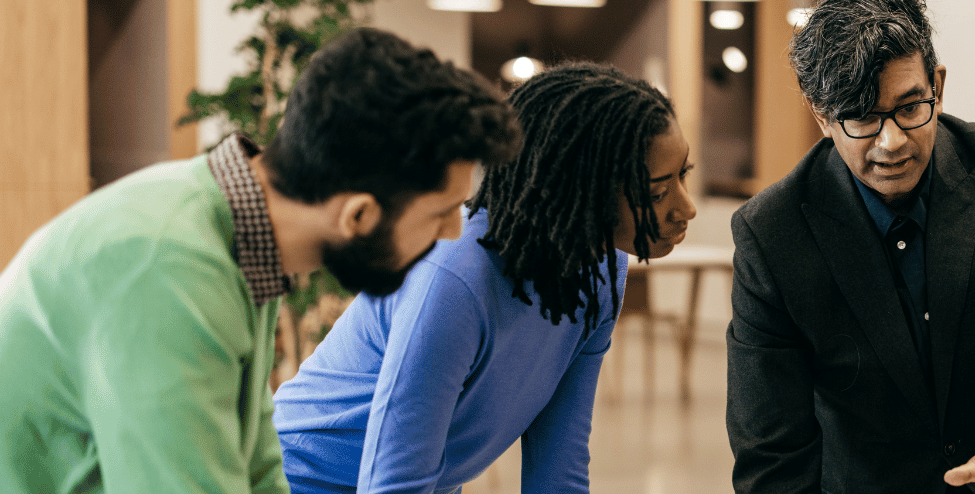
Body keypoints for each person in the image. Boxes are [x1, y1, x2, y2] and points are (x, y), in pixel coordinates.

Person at [0, 28, 520, 493]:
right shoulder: (169, 270)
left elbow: (257, 465)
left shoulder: (242, 240)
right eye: (441, 213)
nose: (453, 235)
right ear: (358, 215)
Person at [726, 0, 975, 493]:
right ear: (822, 118)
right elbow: (772, 452)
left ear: (939, 86)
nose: (891, 142)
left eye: (909, 108)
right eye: (861, 118)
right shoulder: (773, 235)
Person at [273, 64, 696, 493]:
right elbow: (397, 480)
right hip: (298, 481)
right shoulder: (454, 275)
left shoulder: (602, 274)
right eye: (658, 192)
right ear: (582, 186)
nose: (687, 207)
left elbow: (559, 466)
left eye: (684, 175)